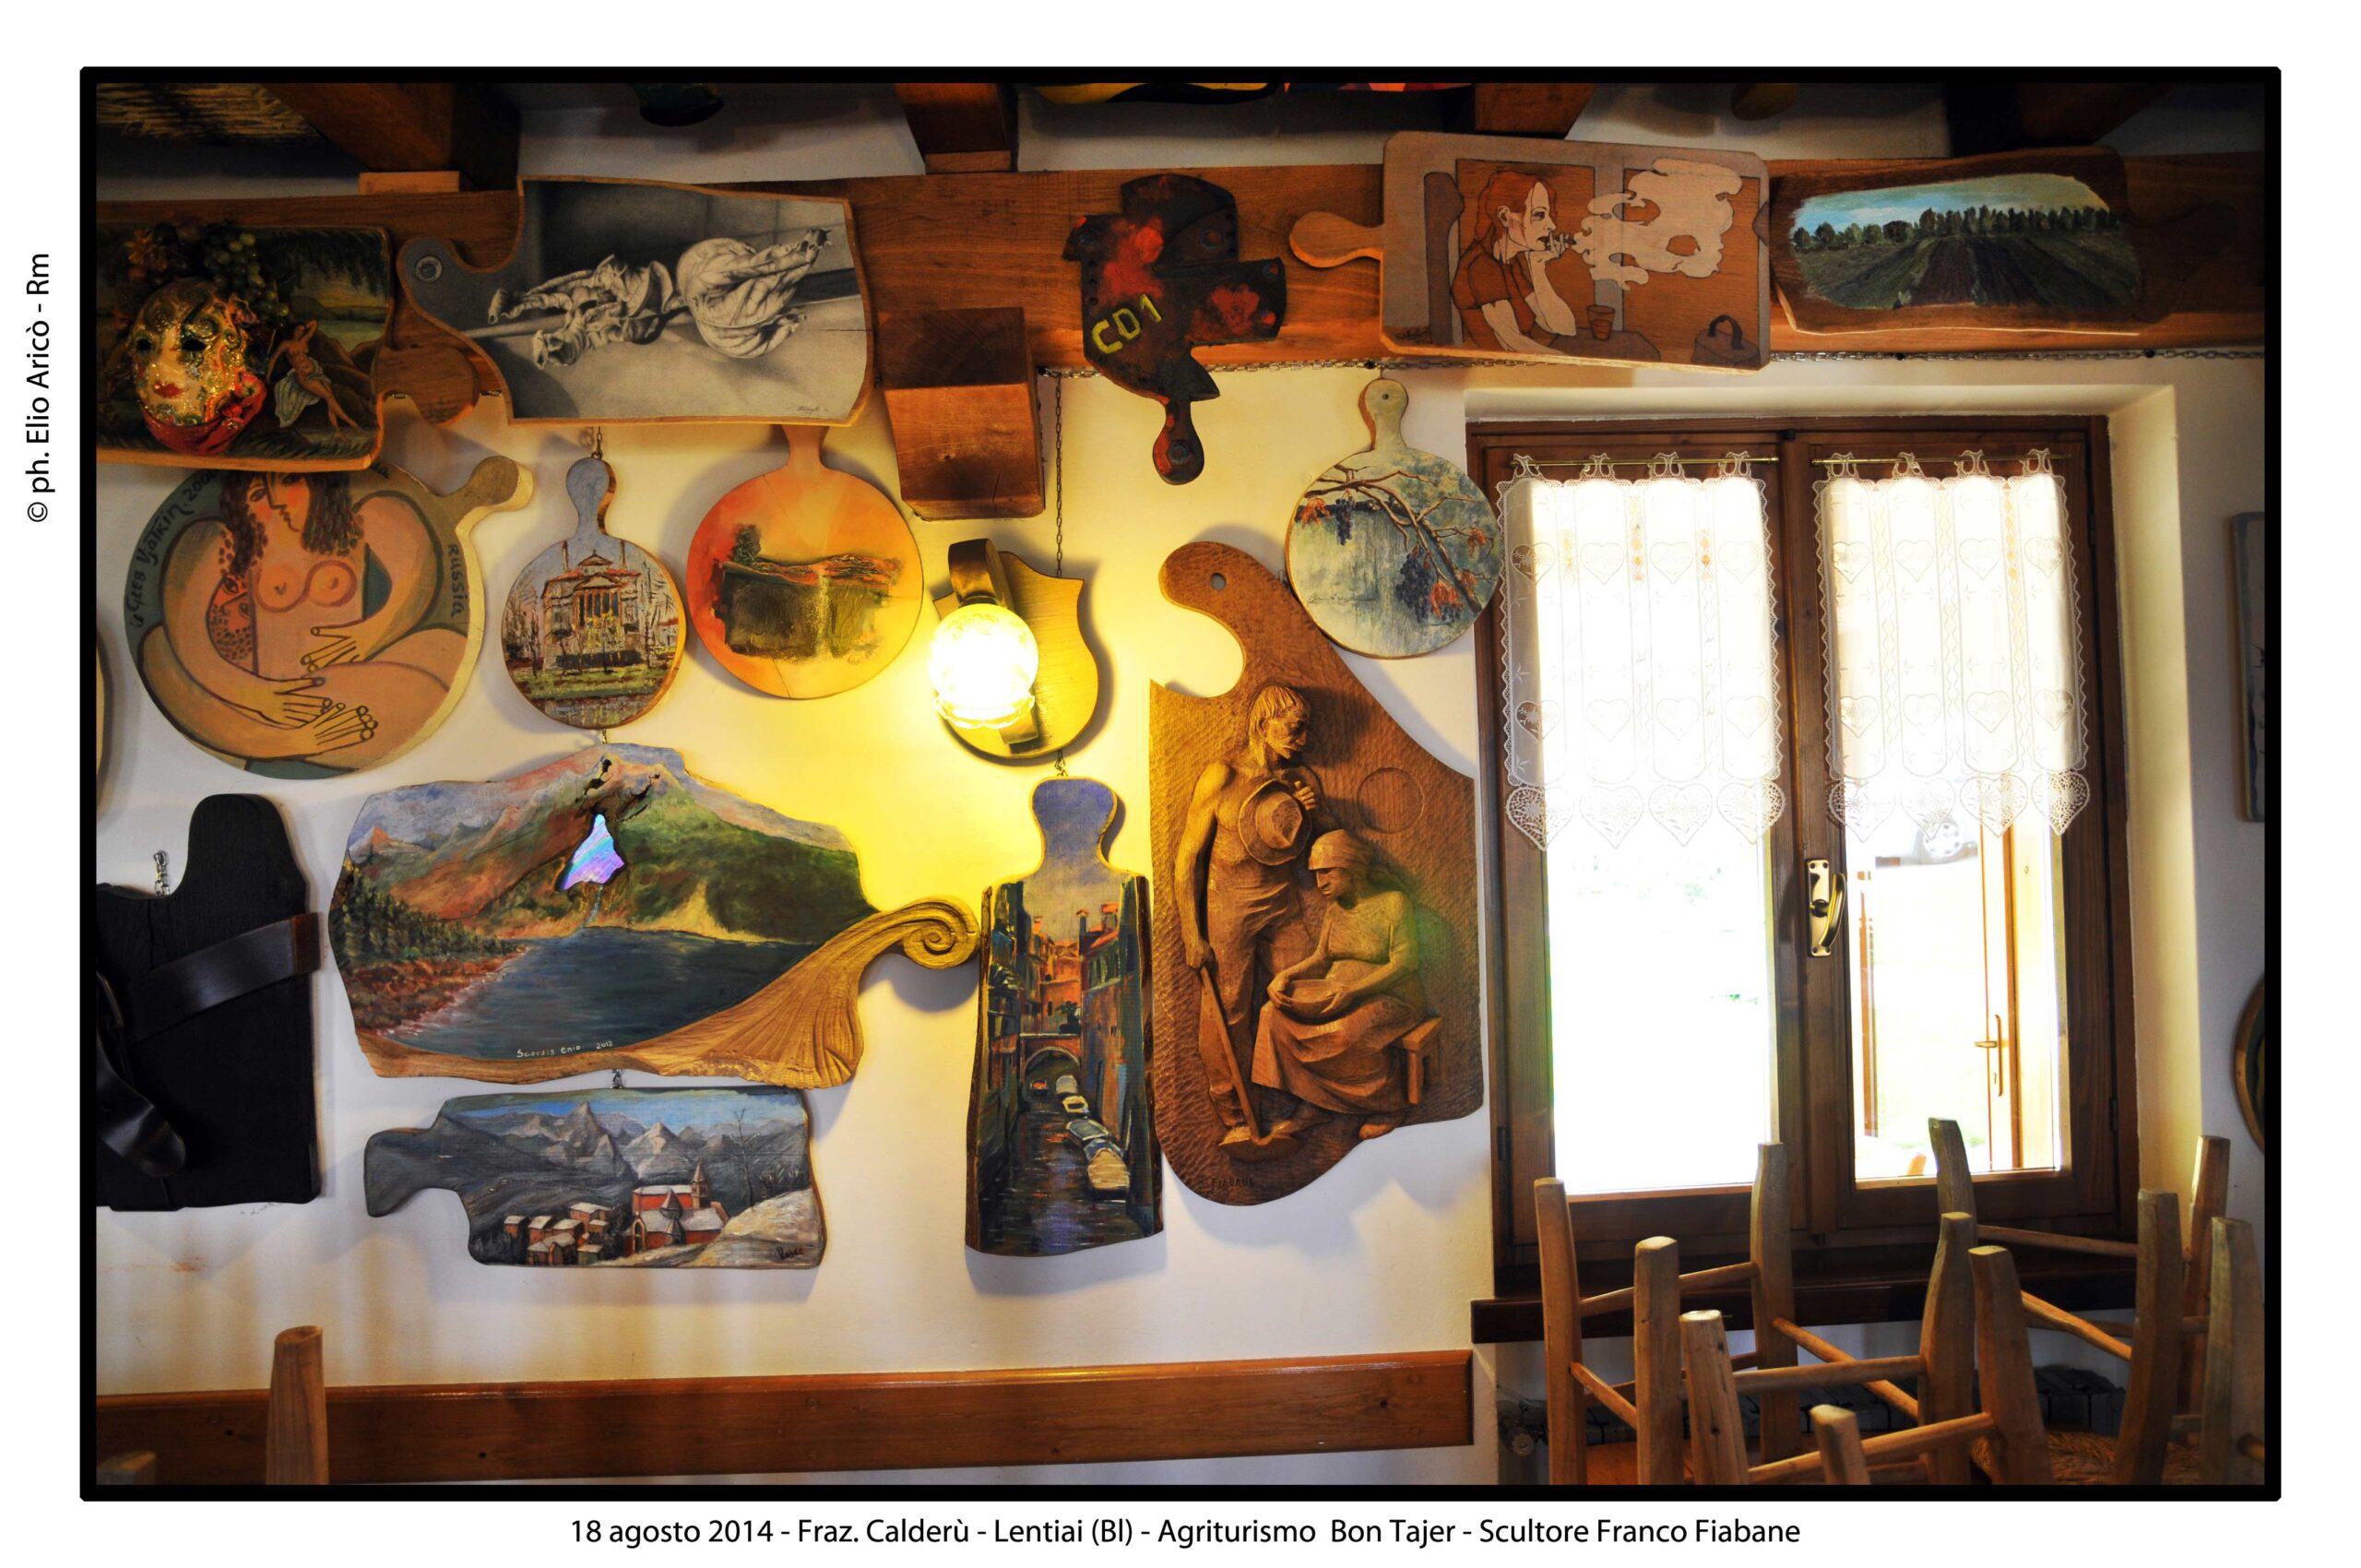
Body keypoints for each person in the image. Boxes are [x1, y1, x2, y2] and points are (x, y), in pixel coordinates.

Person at [136, 471, 459, 770]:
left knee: (444, 648)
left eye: (289, 482)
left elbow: (418, 575)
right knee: (158, 653)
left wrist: (372, 631)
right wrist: (257, 695)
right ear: (241, 506)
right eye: (258, 495)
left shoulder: (360, 523)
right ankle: (285, 742)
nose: (277, 503)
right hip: (276, 703)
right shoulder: (230, 544)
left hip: (350, 679)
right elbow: (188, 639)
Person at [1175, 684, 1322, 1150]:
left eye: (1304, 730)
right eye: (1293, 728)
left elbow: (1302, 849)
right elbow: (1187, 860)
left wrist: (1308, 814)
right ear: (1263, 724)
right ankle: (1236, 1113)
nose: (1301, 739)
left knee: (1302, 989)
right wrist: (1192, 934)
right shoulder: (1222, 776)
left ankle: (1307, 1097)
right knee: (1229, 1008)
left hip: (1281, 901)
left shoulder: (1294, 781)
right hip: (1230, 906)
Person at [1253, 832, 1427, 1141]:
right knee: (1271, 1015)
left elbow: (1405, 963)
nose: (1320, 882)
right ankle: (1315, 1102)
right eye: (1315, 874)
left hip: (1391, 995)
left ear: (1352, 868)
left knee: (1346, 1032)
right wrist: (1285, 977)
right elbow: (1321, 957)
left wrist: (1354, 992)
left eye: (1327, 872)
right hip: (1337, 990)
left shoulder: (1393, 903)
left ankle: (1388, 1105)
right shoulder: (1335, 910)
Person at [1450, 169, 1588, 355]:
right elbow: (1512, 343)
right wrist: (1571, 361)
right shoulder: (1481, 266)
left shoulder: (1510, 263)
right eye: (1539, 215)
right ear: (1505, 217)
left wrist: (1537, 266)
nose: (1552, 225)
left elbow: (1565, 327)